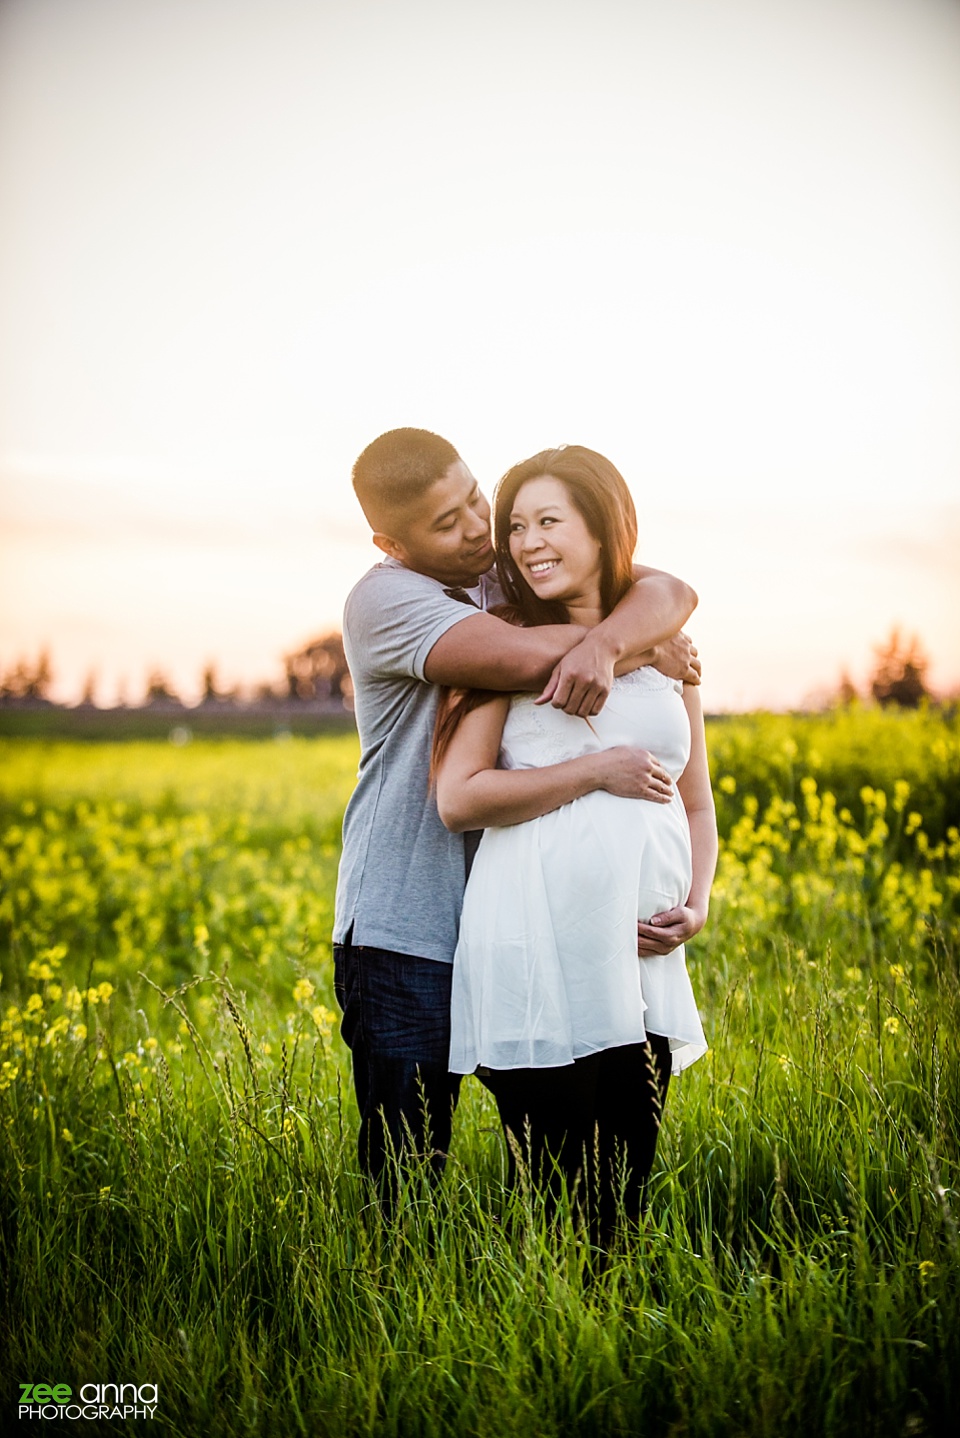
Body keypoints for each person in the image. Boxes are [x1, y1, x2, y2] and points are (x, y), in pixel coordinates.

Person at [332, 427, 701, 1196]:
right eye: (446, 524)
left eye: (476, 503)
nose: (477, 531)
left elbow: (667, 591)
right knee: (406, 1168)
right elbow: (529, 658)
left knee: (576, 1160)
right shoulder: (388, 599)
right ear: (391, 542)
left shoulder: (496, 573)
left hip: (510, 910)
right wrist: (632, 647)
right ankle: (388, 1301)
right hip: (407, 924)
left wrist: (639, 629)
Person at [433, 445, 718, 1241]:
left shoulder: (670, 653)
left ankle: (614, 1352)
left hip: (639, 959)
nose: (527, 542)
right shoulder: (500, 645)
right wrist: (599, 770)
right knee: (560, 1199)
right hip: (534, 950)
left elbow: (695, 802)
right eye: (516, 526)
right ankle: (547, 1345)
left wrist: (696, 905)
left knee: (623, 1199)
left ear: (603, 528)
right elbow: (462, 798)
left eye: (549, 520)